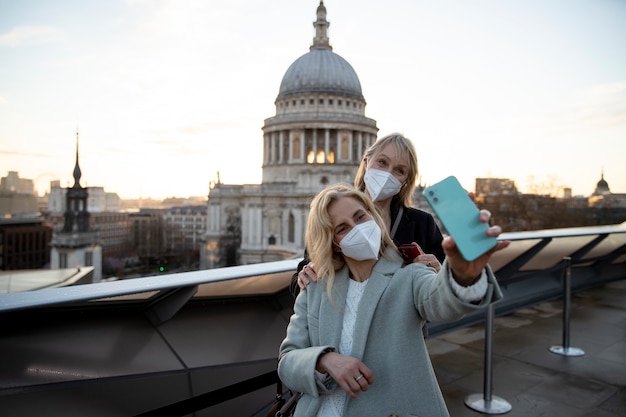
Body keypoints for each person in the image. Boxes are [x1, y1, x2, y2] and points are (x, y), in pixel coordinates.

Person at [277, 184, 509, 417]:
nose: (358, 229)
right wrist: (325, 360)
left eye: (360, 217)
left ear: (373, 216)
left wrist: (463, 273)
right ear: (334, 243)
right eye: (342, 228)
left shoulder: (410, 274)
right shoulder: (315, 287)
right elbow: (287, 361)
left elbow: (442, 301)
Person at [292, 133, 445, 296]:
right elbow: (302, 284)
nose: (387, 174)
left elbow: (443, 293)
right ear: (366, 162)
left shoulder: (422, 224)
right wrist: (304, 278)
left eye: (399, 170)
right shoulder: (331, 214)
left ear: (405, 182)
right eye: (382, 162)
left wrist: (437, 272)